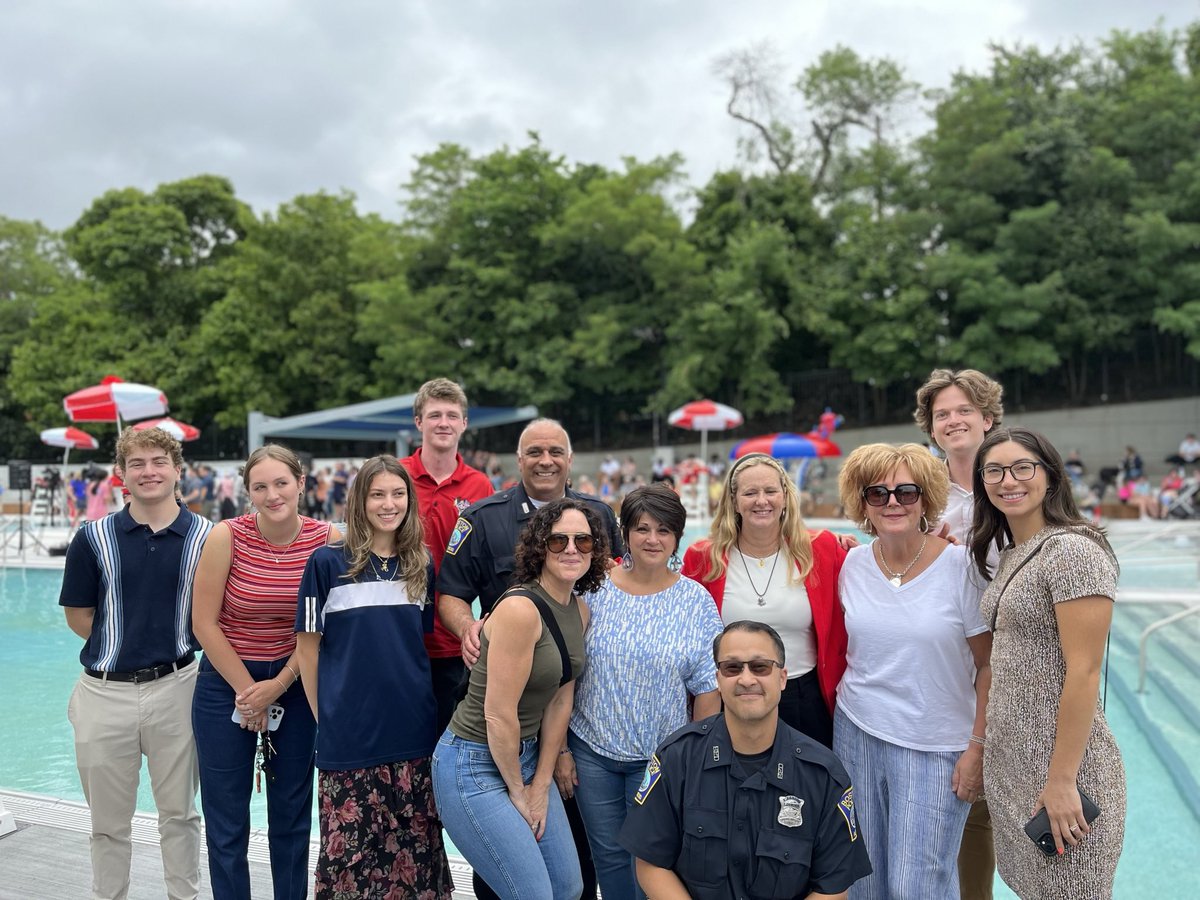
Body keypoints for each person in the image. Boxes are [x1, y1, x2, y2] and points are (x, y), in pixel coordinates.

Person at [437, 417, 622, 900]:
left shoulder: (578, 608)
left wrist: (540, 780)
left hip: (528, 752)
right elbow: (498, 713)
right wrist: (521, 793)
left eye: (583, 542)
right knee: (528, 893)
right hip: (476, 759)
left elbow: (561, 700)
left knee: (569, 885)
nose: (571, 549)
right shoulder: (518, 605)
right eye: (558, 541)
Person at [59, 427, 213, 900]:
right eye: (138, 464)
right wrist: (124, 641)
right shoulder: (93, 537)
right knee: (107, 824)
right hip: (104, 694)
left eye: (158, 462)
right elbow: (80, 617)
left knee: (181, 816)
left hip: (178, 686)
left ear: (177, 470)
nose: (149, 472)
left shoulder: (208, 538)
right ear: (121, 475)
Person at [971, 427, 1126, 898]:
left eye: (1023, 467)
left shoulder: (1072, 552)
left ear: (1051, 475)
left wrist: (1062, 782)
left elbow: (1084, 671)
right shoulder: (1016, 552)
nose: (1007, 480)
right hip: (1017, 772)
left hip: (1065, 777)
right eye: (993, 470)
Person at [835, 443, 992, 899]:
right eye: (877, 493)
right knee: (861, 880)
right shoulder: (852, 565)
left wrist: (977, 747)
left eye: (906, 492)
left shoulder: (962, 567)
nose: (892, 503)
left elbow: (988, 666)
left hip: (935, 745)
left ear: (925, 498)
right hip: (857, 733)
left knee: (915, 886)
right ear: (861, 503)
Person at [618, 620, 873, 899]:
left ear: (782, 677)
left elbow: (833, 887)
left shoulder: (823, 775)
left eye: (760, 666)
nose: (746, 679)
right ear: (718, 679)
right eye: (732, 668)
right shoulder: (677, 759)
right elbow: (651, 863)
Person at [295, 455, 454, 899]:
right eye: (378, 494)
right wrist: (325, 715)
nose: (389, 504)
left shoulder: (421, 563)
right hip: (349, 737)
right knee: (349, 863)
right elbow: (307, 650)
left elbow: (411, 645)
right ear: (360, 501)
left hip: (413, 734)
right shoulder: (326, 564)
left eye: (398, 494)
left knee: (415, 861)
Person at [559, 484, 723, 900]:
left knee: (653, 864)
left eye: (664, 530)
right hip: (591, 752)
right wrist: (560, 749)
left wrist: (695, 765)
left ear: (677, 537)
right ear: (626, 532)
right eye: (643, 528)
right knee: (609, 858)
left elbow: (707, 689)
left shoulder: (696, 601)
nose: (653, 539)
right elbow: (563, 675)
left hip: (660, 760)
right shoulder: (591, 588)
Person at [191, 445, 336, 900]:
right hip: (226, 684)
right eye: (260, 486)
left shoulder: (328, 539)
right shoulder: (226, 536)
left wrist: (277, 685)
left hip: (294, 684)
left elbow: (319, 628)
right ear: (247, 491)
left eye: (281, 483)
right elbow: (204, 623)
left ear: (300, 482)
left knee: (291, 816)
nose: (272, 494)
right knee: (226, 817)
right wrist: (248, 692)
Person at [682, 453, 849, 747]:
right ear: (734, 501)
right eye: (750, 492)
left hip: (803, 698)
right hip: (733, 697)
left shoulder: (821, 550)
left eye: (770, 490)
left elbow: (877, 569)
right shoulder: (703, 559)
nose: (762, 500)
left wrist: (933, 542)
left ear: (785, 496)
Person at [913, 366, 1004, 898]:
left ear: (987, 418)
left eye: (964, 410)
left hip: (1007, 652)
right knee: (950, 794)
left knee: (991, 801)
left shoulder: (1012, 482)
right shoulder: (920, 492)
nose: (953, 420)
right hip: (947, 657)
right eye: (942, 413)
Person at [399, 377, 494, 734]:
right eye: (434, 414)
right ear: (419, 422)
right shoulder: (397, 475)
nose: (443, 423)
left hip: (455, 641)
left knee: (447, 743)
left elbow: (486, 564)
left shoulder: (480, 486)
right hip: (401, 636)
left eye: (452, 415)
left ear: (464, 424)